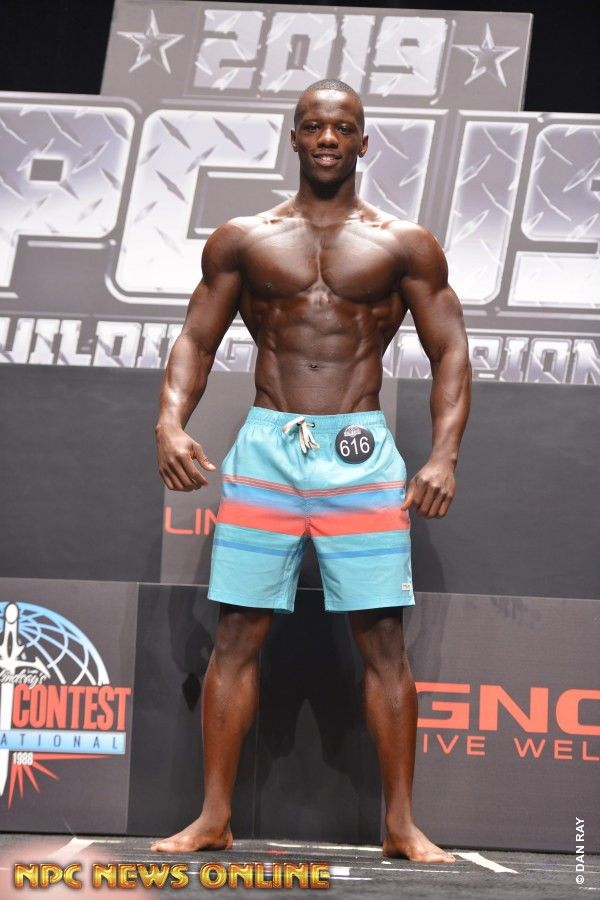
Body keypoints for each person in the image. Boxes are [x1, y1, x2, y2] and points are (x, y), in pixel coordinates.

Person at [152, 79, 471, 863]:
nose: (329, 139)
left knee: (383, 639)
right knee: (236, 632)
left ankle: (400, 826)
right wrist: (169, 421)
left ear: (364, 142)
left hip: (359, 448)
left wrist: (443, 454)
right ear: (294, 137)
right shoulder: (244, 239)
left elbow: (451, 350)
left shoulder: (404, 244)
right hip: (267, 446)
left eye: (343, 128)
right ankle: (214, 817)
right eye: (315, 126)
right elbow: (196, 339)